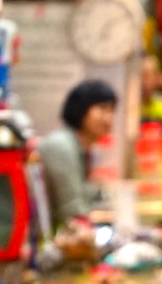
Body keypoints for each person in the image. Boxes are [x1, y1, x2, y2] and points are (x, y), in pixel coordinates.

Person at [39, 80, 118, 230]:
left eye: (112, 110)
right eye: (102, 109)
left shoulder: (81, 148)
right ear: (81, 110)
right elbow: (72, 211)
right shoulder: (62, 146)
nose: (109, 118)